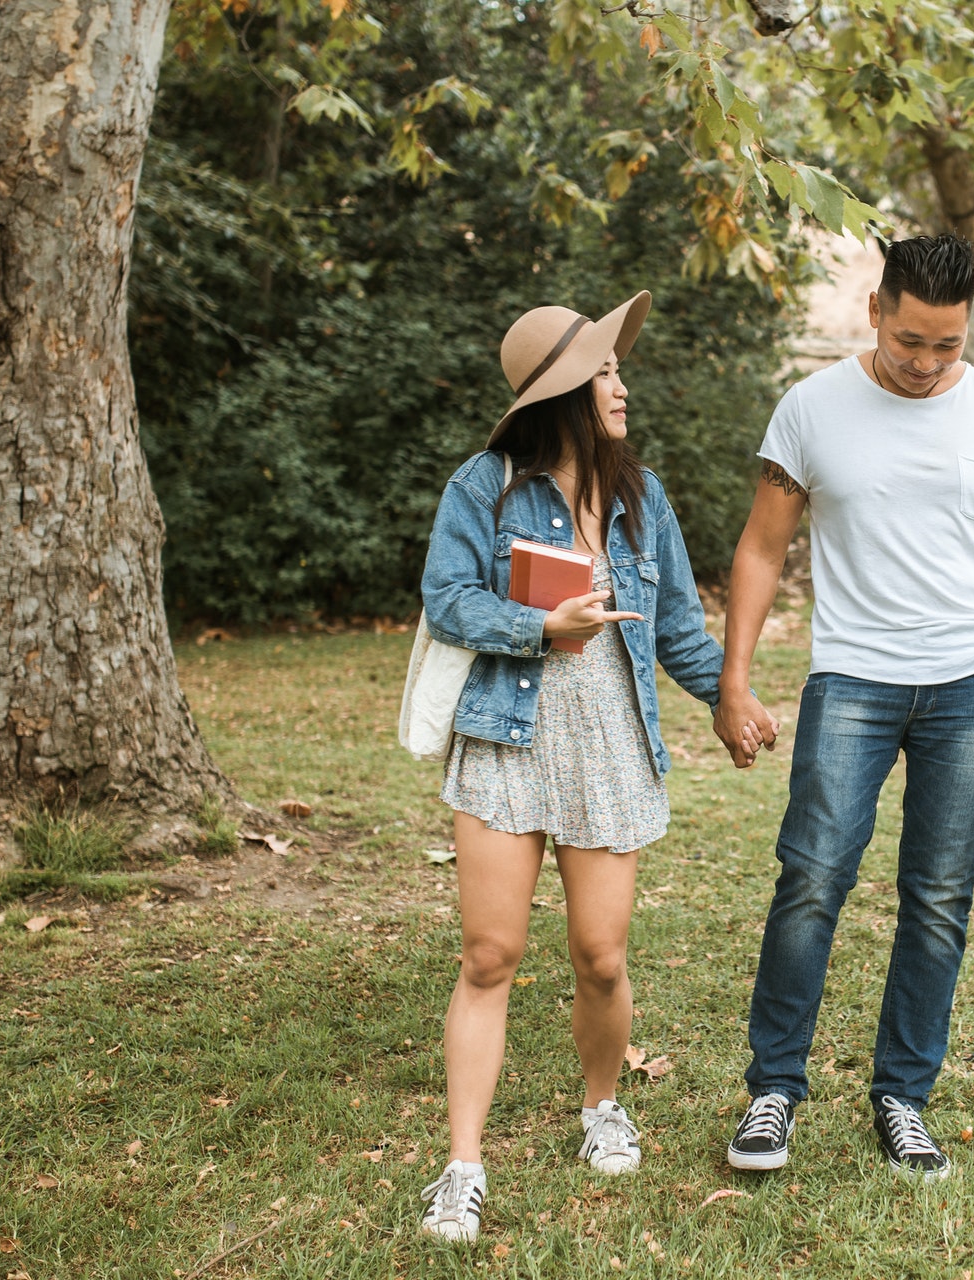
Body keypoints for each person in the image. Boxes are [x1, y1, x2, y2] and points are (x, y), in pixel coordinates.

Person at [711, 235, 974, 1180]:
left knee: (937, 899)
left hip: (971, 682)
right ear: (875, 310)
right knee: (811, 881)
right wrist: (734, 679)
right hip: (851, 677)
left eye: (950, 346)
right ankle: (775, 1090)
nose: (929, 365)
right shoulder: (810, 410)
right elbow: (761, 550)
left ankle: (903, 1098)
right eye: (911, 343)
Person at [414, 292, 769, 1242]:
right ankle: (462, 1167)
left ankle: (601, 1104)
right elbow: (446, 599)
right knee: (489, 957)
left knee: (601, 958)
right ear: (566, 393)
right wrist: (537, 627)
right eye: (605, 372)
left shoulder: (641, 500)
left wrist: (728, 701)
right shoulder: (481, 489)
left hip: (610, 747)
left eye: (616, 368)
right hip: (507, 741)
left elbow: (677, 634)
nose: (621, 385)